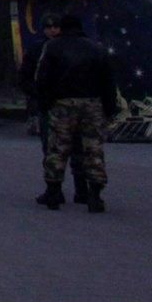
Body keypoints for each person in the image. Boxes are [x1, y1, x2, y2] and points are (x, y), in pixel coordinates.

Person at [31, 13, 122, 211]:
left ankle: (53, 192)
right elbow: (108, 81)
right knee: (93, 149)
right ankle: (94, 195)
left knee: (58, 148)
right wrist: (109, 108)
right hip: (92, 104)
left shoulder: (52, 47)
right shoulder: (96, 48)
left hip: (62, 104)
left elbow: (42, 78)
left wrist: (44, 103)